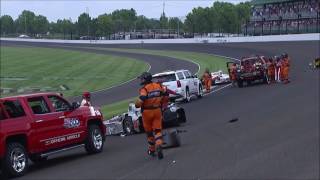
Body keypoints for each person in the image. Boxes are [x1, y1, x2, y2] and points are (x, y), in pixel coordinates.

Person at [135, 72, 165, 159]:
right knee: (158, 130)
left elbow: (142, 99)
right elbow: (164, 95)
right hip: (157, 110)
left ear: (145, 79)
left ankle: (152, 149)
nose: (141, 80)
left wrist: (137, 104)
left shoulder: (144, 89)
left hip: (147, 112)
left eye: (142, 78)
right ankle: (159, 144)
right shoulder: (158, 86)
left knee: (149, 133)